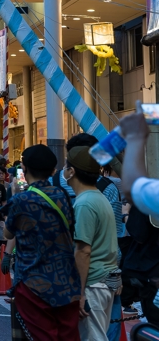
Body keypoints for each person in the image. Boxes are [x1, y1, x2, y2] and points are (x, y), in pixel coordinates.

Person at [4, 144, 79, 340]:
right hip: (67, 282)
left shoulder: (21, 199)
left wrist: (14, 195)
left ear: (24, 168)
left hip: (34, 283)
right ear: (53, 171)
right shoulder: (62, 195)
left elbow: (7, 233)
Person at [65, 146, 120, 341]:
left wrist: (79, 293)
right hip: (105, 280)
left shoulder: (85, 203)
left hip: (92, 284)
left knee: (93, 338)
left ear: (71, 171)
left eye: (66, 166)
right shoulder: (99, 198)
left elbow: (83, 251)